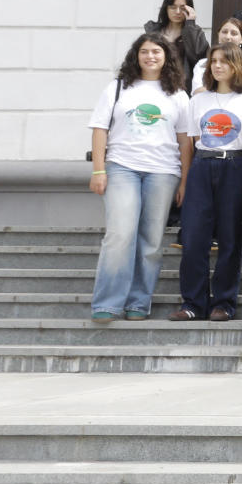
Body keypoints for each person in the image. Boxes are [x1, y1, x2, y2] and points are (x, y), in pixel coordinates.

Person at [87, 34, 191, 324]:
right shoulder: (118, 88)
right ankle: (108, 302)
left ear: (166, 56)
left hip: (163, 171)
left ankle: (138, 302)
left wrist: (184, 181)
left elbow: (185, 142)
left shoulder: (178, 95)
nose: (150, 56)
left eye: (156, 51)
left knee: (151, 241)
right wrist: (98, 170)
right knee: (120, 234)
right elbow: (99, 129)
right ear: (136, 56)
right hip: (122, 167)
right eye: (144, 52)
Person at [173, 43, 242, 322]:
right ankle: (193, 303)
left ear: (237, 66)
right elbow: (188, 144)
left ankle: (223, 303)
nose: (218, 66)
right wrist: (185, 181)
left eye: (225, 61)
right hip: (202, 166)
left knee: (230, 238)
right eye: (214, 61)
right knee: (194, 238)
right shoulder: (198, 100)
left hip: (235, 167)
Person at [146, 0, 210, 76]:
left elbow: (199, 59)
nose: (178, 12)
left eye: (183, 8)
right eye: (173, 7)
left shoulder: (195, 32)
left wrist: (190, 24)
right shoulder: (154, 31)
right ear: (166, 9)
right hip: (156, 80)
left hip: (183, 85)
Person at [193, 18, 242, 92]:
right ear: (218, 34)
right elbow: (197, 91)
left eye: (234, 33)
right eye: (224, 32)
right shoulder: (203, 64)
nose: (228, 37)